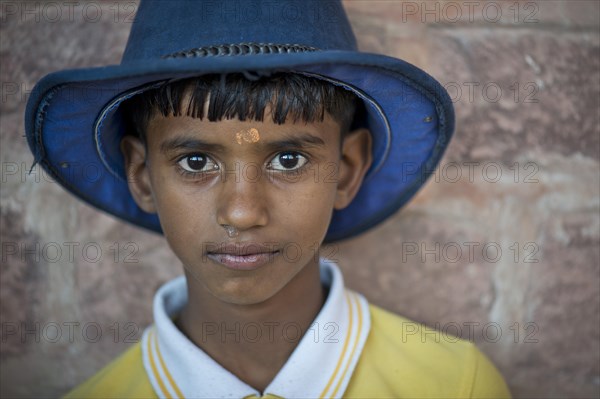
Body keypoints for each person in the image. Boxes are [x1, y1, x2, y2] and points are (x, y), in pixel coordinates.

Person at [24, 1, 511, 397]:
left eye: (289, 160)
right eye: (196, 162)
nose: (241, 211)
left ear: (346, 169)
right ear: (142, 176)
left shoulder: (454, 384)